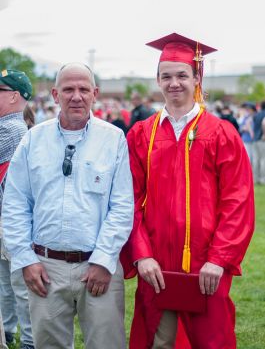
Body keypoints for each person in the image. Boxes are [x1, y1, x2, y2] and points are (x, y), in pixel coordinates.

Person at [122, 33, 255, 349]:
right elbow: (126, 200)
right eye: (166, 76)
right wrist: (141, 256)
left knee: (212, 341)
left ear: (197, 77)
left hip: (206, 267)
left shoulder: (222, 133)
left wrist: (219, 259)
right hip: (156, 266)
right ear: (157, 80)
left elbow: (237, 202)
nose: (174, 83)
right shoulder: (141, 134)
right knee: (158, 341)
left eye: (182, 75)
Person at [2, 63, 134, 349]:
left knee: (106, 344)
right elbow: (14, 204)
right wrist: (26, 259)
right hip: (45, 269)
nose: (77, 96)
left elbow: (123, 205)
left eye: (84, 89)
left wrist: (104, 259)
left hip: (98, 267)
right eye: (68, 89)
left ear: (95, 93)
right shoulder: (32, 139)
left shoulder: (113, 139)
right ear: (54, 94)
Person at [0, 69, 35, 349]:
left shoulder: (12, 129)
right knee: (7, 284)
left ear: (13, 96)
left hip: (12, 221)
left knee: (20, 286)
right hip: (7, 219)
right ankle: (9, 331)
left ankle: (30, 340)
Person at [253, 101, 265, 184]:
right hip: (262, 139)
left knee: (256, 159)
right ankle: (262, 179)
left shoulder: (256, 115)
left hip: (255, 139)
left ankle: (255, 178)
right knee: (263, 160)